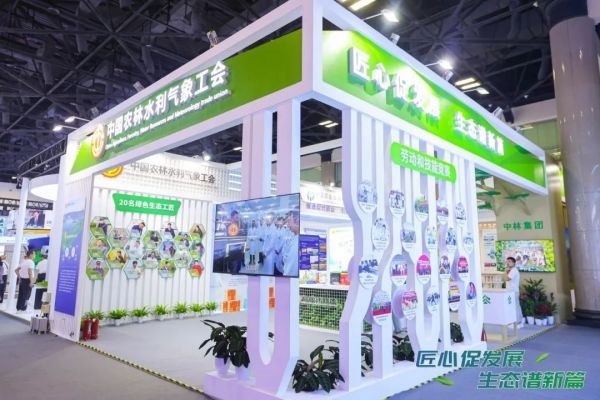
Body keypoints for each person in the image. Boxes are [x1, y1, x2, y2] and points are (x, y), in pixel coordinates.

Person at [504, 256, 523, 327]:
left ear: (514, 263)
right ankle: (517, 321)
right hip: (511, 292)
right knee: (514, 306)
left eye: (509, 262)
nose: (507, 263)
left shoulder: (514, 270)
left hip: (513, 291)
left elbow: (507, 278)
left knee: (515, 306)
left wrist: (505, 271)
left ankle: (517, 322)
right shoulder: (511, 270)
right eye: (507, 262)